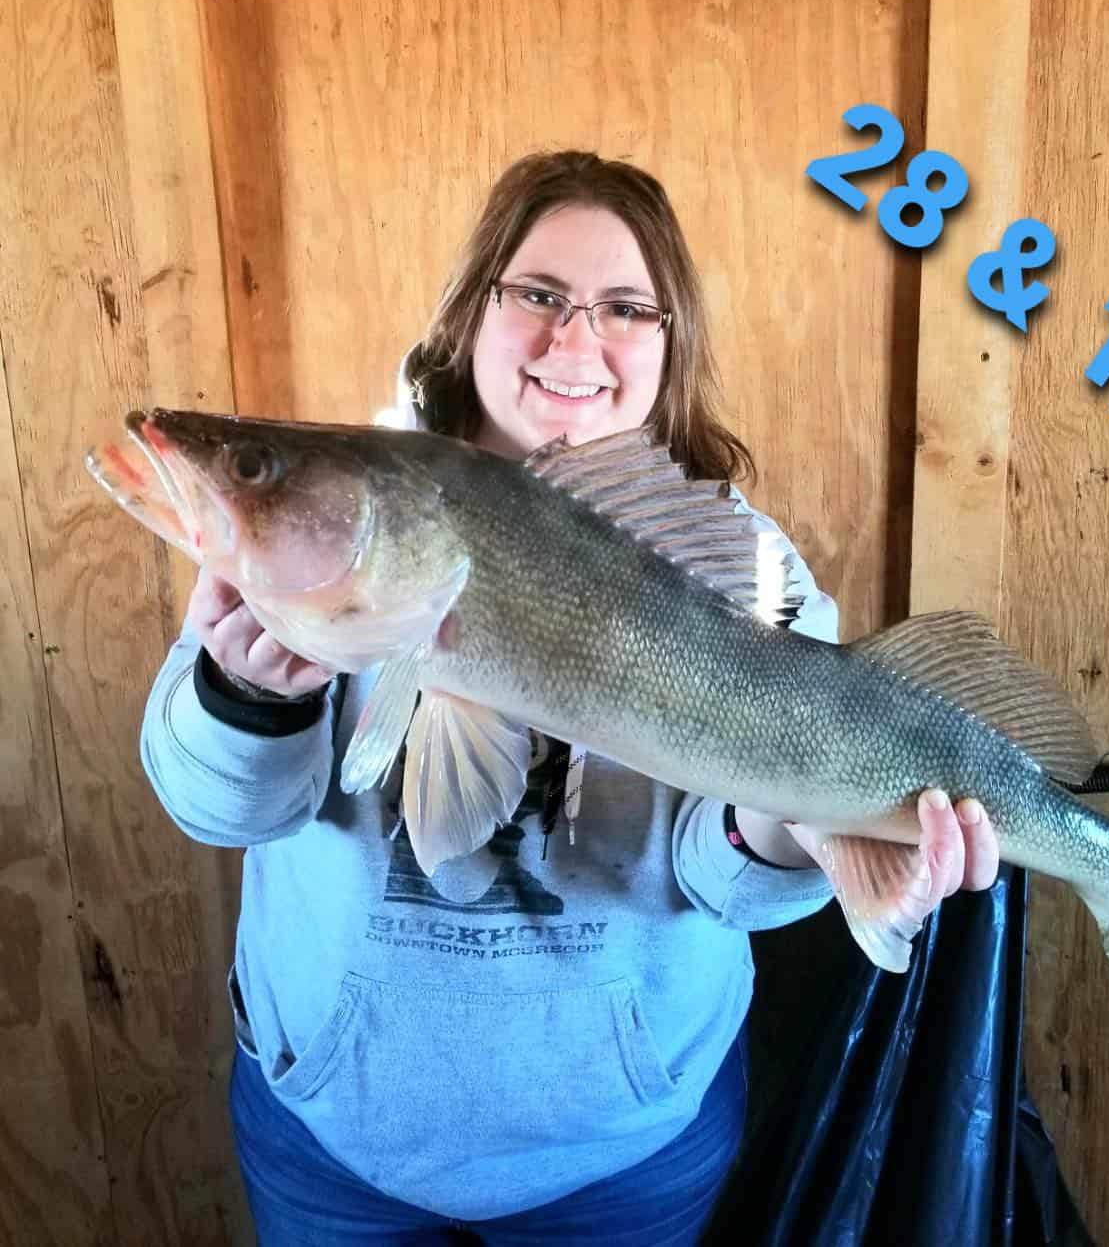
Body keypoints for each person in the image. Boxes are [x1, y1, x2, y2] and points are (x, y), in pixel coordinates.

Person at [140, 151, 1000, 1246]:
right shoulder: (343, 524)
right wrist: (241, 692)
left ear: (668, 340)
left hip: (623, 1156)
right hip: (334, 1136)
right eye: (538, 293)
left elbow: (729, 887)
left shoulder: (751, 573)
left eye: (625, 308)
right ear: (472, 310)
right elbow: (218, 808)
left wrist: (802, 828)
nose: (574, 339)